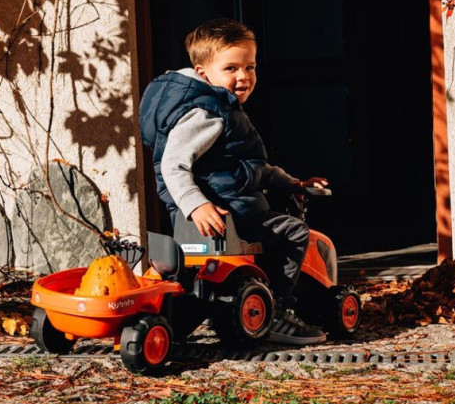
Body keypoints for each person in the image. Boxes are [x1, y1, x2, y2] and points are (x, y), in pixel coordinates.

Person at [139, 18, 328, 345]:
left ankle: (198, 314)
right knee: (295, 231)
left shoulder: (222, 110)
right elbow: (173, 165)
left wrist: (294, 183)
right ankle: (279, 310)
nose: (244, 76)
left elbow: (254, 168)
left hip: (224, 212)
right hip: (228, 217)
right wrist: (196, 205)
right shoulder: (207, 114)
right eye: (231, 68)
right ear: (202, 73)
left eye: (250, 67)